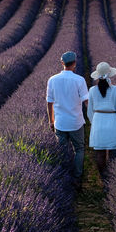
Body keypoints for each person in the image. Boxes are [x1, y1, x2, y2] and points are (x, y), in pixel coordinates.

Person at [46, 51, 89, 190]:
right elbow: (86, 101)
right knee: (79, 149)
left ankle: (63, 177)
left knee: (62, 151)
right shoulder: (79, 80)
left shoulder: (52, 79)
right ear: (75, 63)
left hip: (60, 123)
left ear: (62, 63)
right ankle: (77, 178)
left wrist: (51, 121)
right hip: (76, 122)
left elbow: (49, 102)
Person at [87, 61, 116, 178]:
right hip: (112, 122)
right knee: (113, 154)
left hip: (98, 121)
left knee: (100, 154)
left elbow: (89, 112)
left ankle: (103, 177)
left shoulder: (92, 90)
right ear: (109, 74)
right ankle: (111, 180)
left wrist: (94, 123)